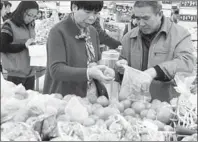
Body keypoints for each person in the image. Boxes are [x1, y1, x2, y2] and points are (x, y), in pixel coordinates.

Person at [115, 1, 195, 102]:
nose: (141, 23)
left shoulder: (180, 35)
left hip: (168, 105)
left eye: (146, 18)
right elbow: (121, 68)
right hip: (135, 105)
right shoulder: (129, 37)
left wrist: (155, 71)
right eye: (137, 18)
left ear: (160, 14)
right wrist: (120, 67)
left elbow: (186, 62)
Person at [43, 1, 115, 98]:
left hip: (90, 96)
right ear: (74, 7)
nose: (92, 18)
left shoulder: (93, 32)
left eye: (96, 13)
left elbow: (94, 61)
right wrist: (88, 72)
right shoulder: (58, 32)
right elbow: (56, 70)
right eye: (87, 12)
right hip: (64, 97)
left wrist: (103, 68)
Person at [1, 1, 39, 90]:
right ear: (22, 11)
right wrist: (23, 45)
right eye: (29, 15)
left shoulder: (31, 25)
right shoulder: (9, 25)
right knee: (16, 102)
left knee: (30, 102)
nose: (31, 18)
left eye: (34, 16)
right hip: (16, 74)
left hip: (30, 73)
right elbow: (2, 47)